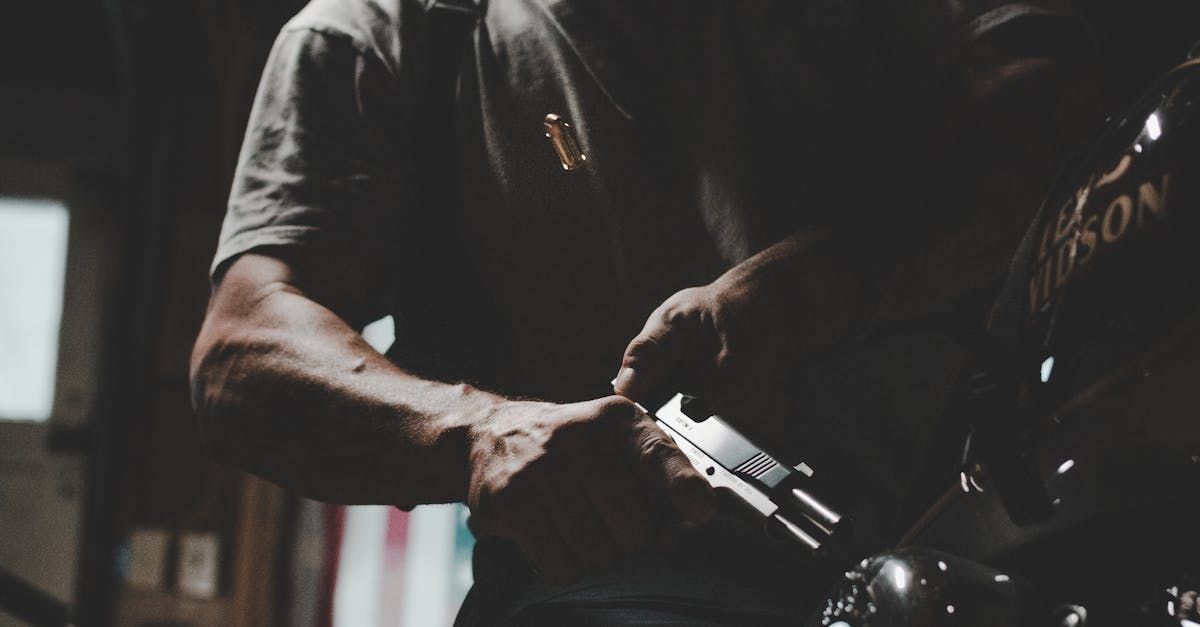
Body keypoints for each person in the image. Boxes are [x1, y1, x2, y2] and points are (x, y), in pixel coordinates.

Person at [190, 0, 1104, 622]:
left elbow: (1056, 109)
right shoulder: (385, 37)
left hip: (999, 558)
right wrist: (478, 434)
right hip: (614, 595)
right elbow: (242, 351)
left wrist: (818, 285)